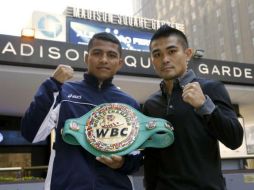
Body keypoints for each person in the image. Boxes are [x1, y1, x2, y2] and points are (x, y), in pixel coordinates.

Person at [21, 32, 142, 190]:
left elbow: (137, 156)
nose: (104, 59)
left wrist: (123, 163)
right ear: (86, 58)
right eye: (97, 53)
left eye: (111, 55)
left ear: (119, 63)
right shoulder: (63, 92)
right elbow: (31, 133)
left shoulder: (129, 103)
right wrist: (52, 84)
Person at [142, 24, 244, 190]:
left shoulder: (211, 88)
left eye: (172, 51)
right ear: (152, 60)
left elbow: (235, 139)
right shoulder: (151, 103)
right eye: (157, 54)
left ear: (187, 54)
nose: (165, 59)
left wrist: (205, 106)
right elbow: (152, 158)